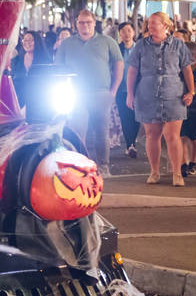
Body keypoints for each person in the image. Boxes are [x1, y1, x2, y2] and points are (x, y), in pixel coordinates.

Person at [126, 11, 195, 186]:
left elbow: (187, 70)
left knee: (173, 135)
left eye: (154, 23)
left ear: (165, 25)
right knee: (152, 134)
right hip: (147, 94)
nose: (150, 26)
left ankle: (177, 173)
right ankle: (154, 171)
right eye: (149, 24)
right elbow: (132, 71)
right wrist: (130, 93)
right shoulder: (141, 45)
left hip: (174, 94)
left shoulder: (178, 45)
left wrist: (191, 91)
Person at [56, 10, 124, 174]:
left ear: (94, 23)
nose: (84, 25)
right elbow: (58, 68)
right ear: (76, 24)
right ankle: (80, 166)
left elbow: (119, 64)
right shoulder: (67, 43)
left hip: (101, 93)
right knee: (78, 132)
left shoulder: (107, 41)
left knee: (101, 133)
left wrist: (113, 90)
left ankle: (103, 166)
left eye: (88, 22)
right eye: (81, 22)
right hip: (76, 95)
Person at [179, 41, 196, 177]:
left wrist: (191, 93)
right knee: (182, 135)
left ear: (195, 54)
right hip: (181, 103)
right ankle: (184, 162)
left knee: (194, 136)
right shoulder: (180, 68)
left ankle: (193, 161)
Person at [114, 23, 140, 158]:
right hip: (121, 89)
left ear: (134, 32)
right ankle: (130, 144)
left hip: (137, 89)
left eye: (129, 30)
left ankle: (132, 142)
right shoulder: (117, 49)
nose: (126, 34)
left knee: (136, 118)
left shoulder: (139, 49)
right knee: (125, 117)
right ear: (120, 34)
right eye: (123, 31)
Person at [9, 31, 47, 110]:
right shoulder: (16, 60)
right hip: (19, 105)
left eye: (30, 40)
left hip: (39, 106)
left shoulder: (45, 61)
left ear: (37, 42)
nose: (27, 43)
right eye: (25, 40)